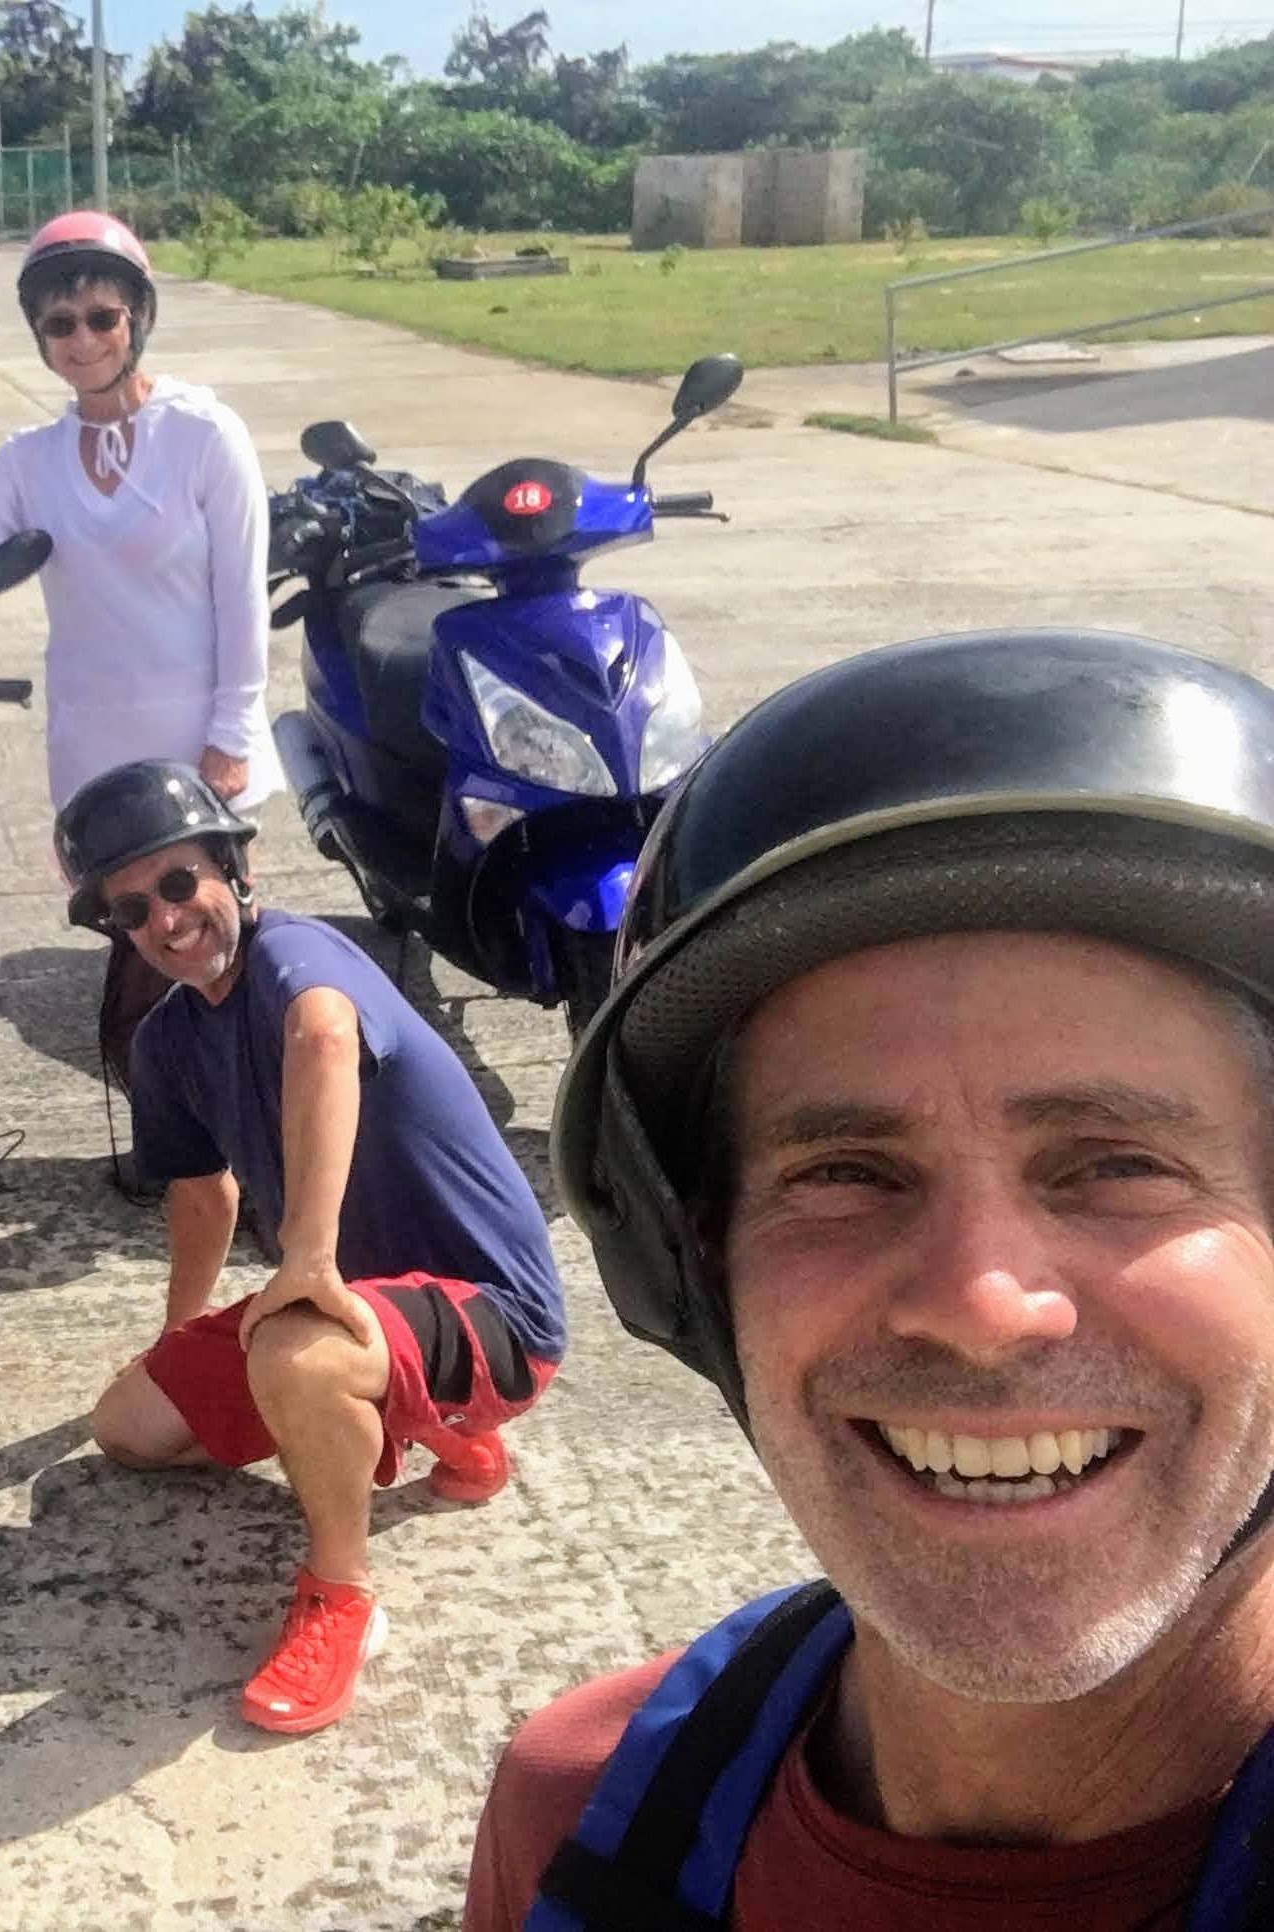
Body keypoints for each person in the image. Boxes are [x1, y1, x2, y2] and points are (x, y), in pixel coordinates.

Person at [465, 628, 1274, 1930]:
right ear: (702, 1264)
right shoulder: (589, 1811)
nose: (979, 1304)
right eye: (846, 1173)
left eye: (1118, 1163)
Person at [53, 760, 567, 1735]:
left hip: (497, 1317)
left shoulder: (300, 955)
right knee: (128, 1426)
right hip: (377, 1307)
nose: (164, 921)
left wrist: (309, 1259)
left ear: (233, 873)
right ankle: (433, 1422)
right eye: (130, 909)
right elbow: (203, 1196)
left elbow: (325, 1041)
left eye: (178, 884)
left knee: (296, 1349)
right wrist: (175, 1336)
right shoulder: (166, 1043)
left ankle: (339, 1596)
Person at [0, 212, 281, 1108]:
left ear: (138, 320)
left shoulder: (205, 435)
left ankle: (262, 1130)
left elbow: (244, 594)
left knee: (221, 951)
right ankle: (175, 1136)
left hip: (199, 750)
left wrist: (233, 730)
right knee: (141, 948)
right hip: (93, 751)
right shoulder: (29, 462)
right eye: (59, 324)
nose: (81, 340)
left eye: (102, 318)